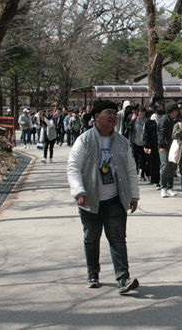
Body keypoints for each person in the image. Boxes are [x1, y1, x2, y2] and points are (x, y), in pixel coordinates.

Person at [67, 99, 140, 294]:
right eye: (109, 112)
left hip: (115, 199)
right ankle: (93, 273)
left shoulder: (123, 142)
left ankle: (123, 278)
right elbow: (73, 167)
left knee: (117, 239)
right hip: (90, 199)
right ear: (96, 116)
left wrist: (134, 195)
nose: (113, 117)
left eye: (115, 114)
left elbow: (131, 171)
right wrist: (78, 191)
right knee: (91, 238)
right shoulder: (84, 139)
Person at [158, 101, 179, 198]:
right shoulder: (164, 120)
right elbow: (161, 134)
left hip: (172, 146)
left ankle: (170, 187)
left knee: (172, 167)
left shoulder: (174, 120)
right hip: (165, 147)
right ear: (173, 111)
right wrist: (162, 146)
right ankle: (163, 187)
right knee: (165, 166)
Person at [128, 106, 149, 181]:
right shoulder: (134, 121)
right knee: (135, 159)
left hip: (144, 143)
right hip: (135, 142)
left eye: (143, 111)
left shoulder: (147, 121)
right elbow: (129, 130)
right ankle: (135, 172)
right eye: (141, 111)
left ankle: (143, 174)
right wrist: (130, 140)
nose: (142, 113)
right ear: (138, 112)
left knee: (143, 160)